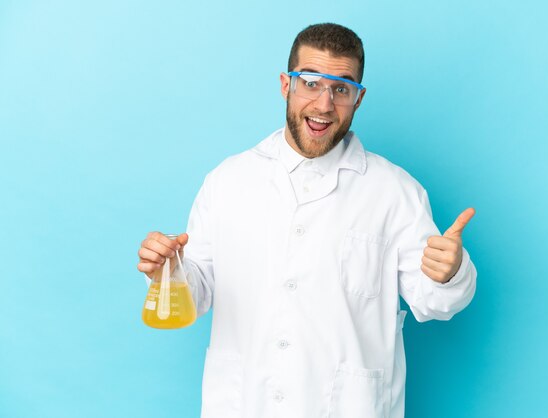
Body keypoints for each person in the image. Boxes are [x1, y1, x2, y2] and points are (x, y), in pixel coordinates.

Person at [137, 23, 477, 418]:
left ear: (358, 98)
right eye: (311, 83)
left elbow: (434, 303)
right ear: (286, 85)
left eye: (341, 88)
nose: (324, 104)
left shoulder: (394, 192)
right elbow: (198, 293)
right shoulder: (228, 181)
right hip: (245, 404)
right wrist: (167, 269)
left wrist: (449, 273)